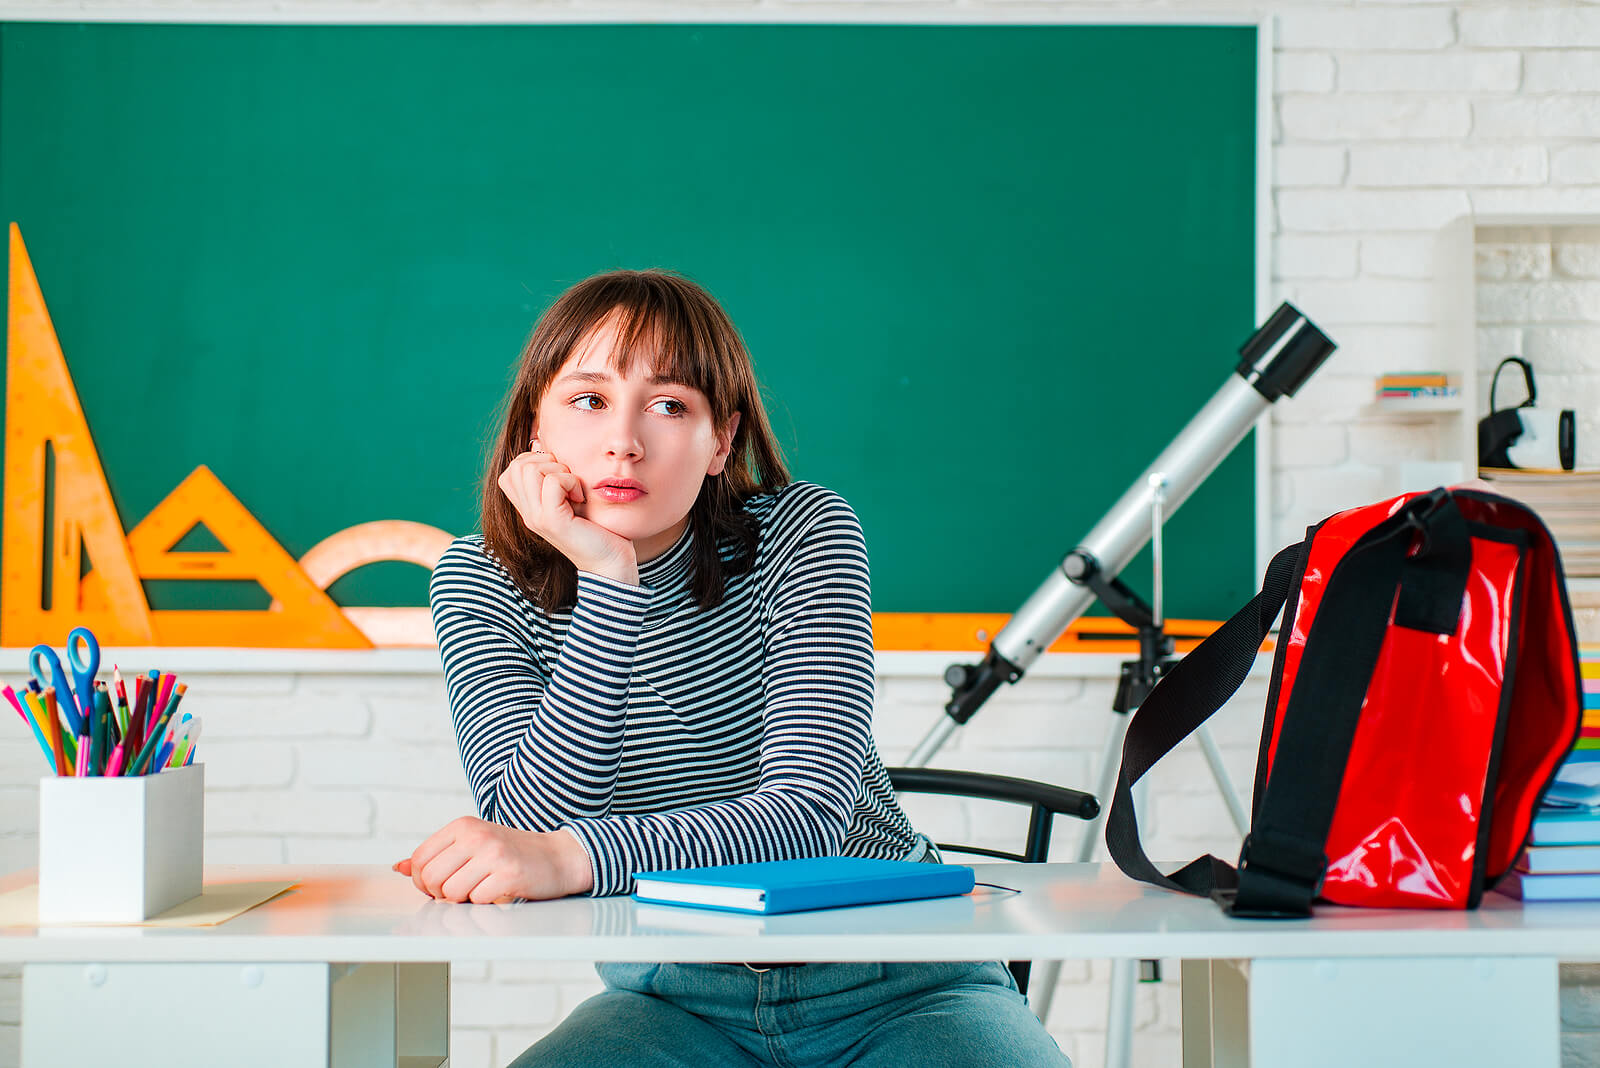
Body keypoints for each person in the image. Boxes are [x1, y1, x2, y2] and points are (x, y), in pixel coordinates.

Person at [397, 269, 1071, 1067]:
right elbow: (530, 821)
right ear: (534, 431)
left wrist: (572, 860)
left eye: (670, 405)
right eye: (588, 400)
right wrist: (610, 583)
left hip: (903, 979)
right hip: (673, 999)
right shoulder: (479, 579)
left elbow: (807, 814)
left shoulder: (803, 532)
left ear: (722, 441)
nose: (624, 441)